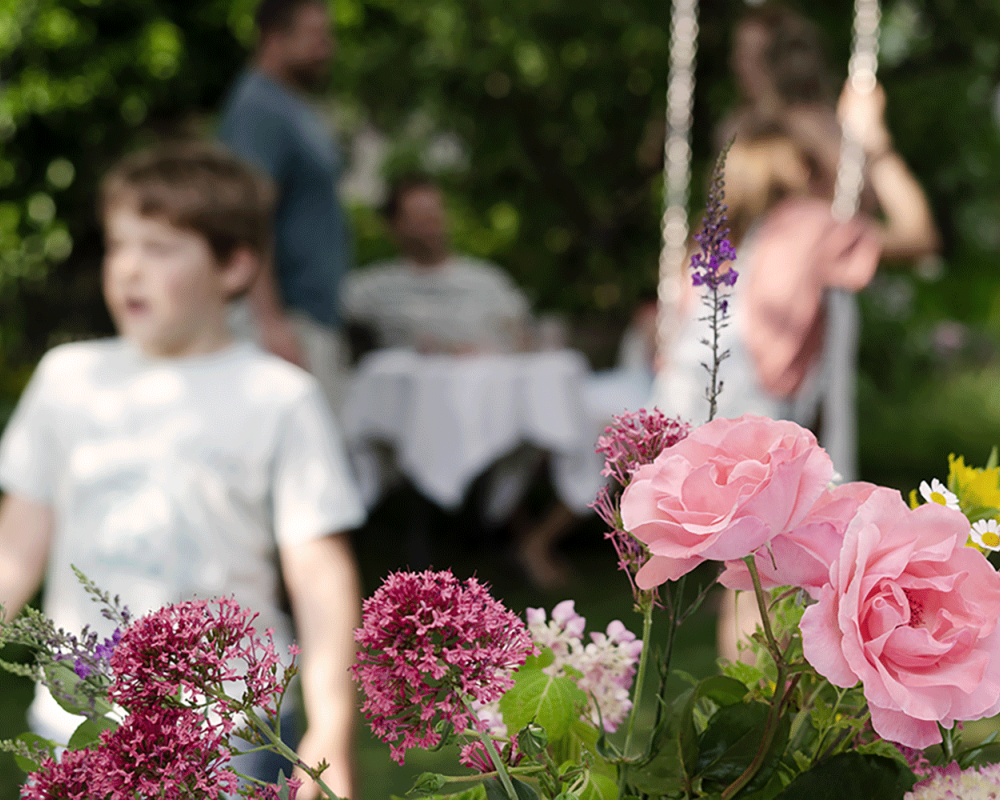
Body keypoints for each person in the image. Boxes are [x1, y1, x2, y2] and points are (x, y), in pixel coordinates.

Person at [0, 142, 364, 799]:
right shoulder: (68, 380)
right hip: (78, 716)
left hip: (233, 725)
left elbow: (319, 575)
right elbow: (15, 547)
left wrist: (332, 726)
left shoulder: (280, 396)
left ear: (234, 265)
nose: (130, 269)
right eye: (119, 245)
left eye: (161, 248)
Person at [218, 0, 351, 412]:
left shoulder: (292, 106)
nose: (327, 48)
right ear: (274, 38)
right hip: (284, 320)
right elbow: (249, 213)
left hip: (311, 317)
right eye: (316, 37)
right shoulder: (257, 107)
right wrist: (271, 322)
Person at [342, 175, 531, 355]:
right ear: (394, 226)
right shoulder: (372, 287)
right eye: (419, 217)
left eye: (435, 212)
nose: (432, 223)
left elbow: (523, 339)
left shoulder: (489, 280)